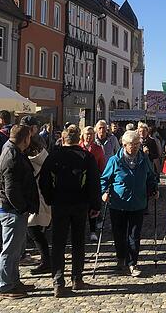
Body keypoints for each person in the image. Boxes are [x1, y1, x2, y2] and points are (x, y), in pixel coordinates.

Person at [39, 125, 101, 298]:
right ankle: (77, 278)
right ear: (78, 139)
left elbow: (43, 181)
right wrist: (95, 205)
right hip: (80, 204)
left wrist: (50, 198)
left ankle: (58, 282)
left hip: (60, 203)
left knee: (58, 243)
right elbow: (94, 183)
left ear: (63, 139)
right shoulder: (86, 156)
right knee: (78, 242)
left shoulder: (54, 156)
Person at [101, 130, 159, 277]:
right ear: (124, 145)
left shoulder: (143, 159)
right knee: (119, 234)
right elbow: (104, 180)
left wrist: (154, 188)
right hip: (118, 204)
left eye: (137, 144)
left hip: (138, 203)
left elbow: (151, 176)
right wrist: (104, 193)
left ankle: (133, 263)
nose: (134, 147)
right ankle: (121, 259)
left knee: (134, 235)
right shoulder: (115, 160)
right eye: (131, 144)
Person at [0, 125, 39, 299]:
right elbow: (11, 189)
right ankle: (4, 286)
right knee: (10, 250)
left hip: (13, 209)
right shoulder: (12, 156)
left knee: (16, 250)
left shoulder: (11, 150)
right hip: (12, 210)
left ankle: (13, 281)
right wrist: (23, 208)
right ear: (25, 138)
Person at [26, 135, 52, 276]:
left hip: (37, 200)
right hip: (43, 199)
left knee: (33, 231)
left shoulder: (31, 162)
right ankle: (46, 260)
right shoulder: (46, 158)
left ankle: (46, 261)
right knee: (36, 231)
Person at [80, 125, 107, 242]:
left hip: (93, 182)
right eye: (87, 133)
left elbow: (102, 167)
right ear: (82, 135)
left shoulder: (98, 149)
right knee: (80, 208)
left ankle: (92, 231)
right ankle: (79, 230)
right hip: (79, 183)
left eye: (91, 134)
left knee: (93, 207)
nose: (89, 136)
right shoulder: (78, 147)